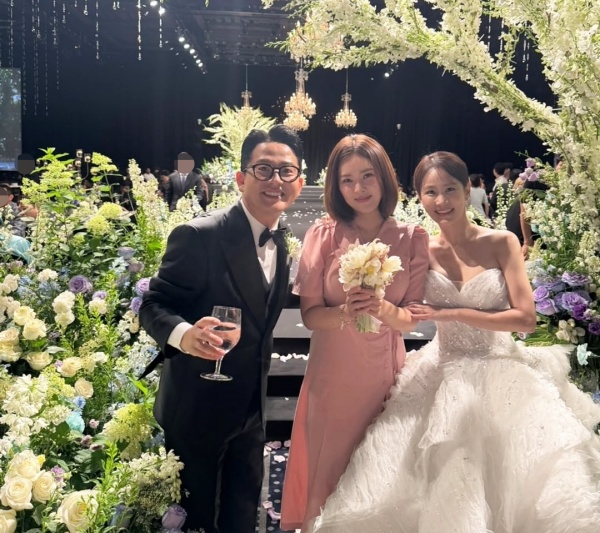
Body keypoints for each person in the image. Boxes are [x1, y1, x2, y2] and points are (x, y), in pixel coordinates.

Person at [305, 151, 600, 533]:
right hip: (441, 369)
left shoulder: (502, 242)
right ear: (419, 197)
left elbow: (525, 320)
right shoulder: (420, 248)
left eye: (449, 190)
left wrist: (451, 312)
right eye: (430, 192)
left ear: (467, 189)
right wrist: (371, 302)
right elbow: (408, 313)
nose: (441, 201)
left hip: (501, 369)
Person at [139, 125, 304, 533]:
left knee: (242, 515)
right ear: (241, 178)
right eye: (264, 169)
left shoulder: (283, 239)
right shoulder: (200, 235)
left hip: (251, 411)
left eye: (287, 171)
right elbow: (153, 305)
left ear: (299, 183)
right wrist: (185, 335)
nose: (276, 180)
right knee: (197, 521)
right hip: (199, 410)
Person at [280, 134, 430, 532]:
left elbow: (412, 318)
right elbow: (312, 315)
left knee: (379, 472)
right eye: (347, 180)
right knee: (331, 468)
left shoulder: (412, 237)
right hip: (332, 375)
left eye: (367, 176)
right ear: (335, 186)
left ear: (384, 177)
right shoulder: (323, 234)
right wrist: (346, 313)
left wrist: (381, 309)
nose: (358, 188)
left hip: (384, 374)